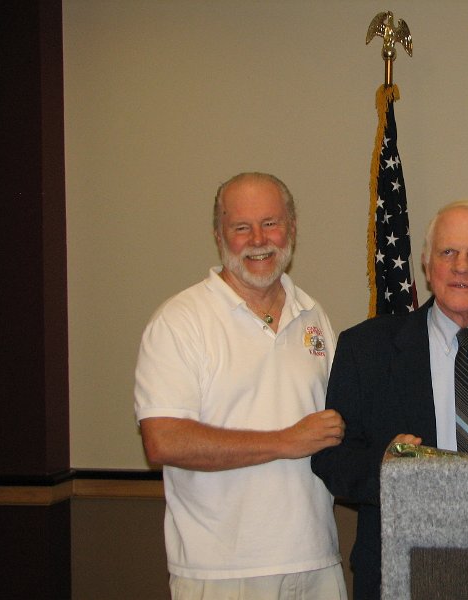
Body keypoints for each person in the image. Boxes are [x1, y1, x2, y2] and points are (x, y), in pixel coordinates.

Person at [311, 200, 468, 599]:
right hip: (407, 567)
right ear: (427, 265)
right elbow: (330, 457)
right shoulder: (366, 348)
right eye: (448, 252)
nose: (461, 266)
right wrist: (385, 469)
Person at [134, 172, 347, 599]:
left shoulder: (313, 315)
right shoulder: (180, 321)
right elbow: (163, 441)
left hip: (316, 559)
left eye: (270, 223)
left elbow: (339, 426)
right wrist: (285, 441)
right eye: (241, 227)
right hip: (221, 571)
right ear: (219, 235)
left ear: (292, 227)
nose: (258, 239)